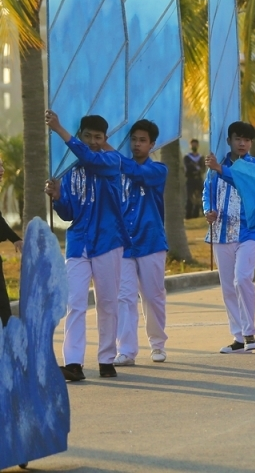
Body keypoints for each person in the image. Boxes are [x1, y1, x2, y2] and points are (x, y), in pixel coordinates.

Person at [45, 110, 131, 381]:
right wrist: (58, 197)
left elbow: (91, 158)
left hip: (108, 241)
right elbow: (68, 213)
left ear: (106, 138)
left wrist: (59, 129)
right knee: (75, 303)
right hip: (78, 243)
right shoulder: (69, 172)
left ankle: (106, 359)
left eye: (98, 137)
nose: (93, 141)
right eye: (88, 136)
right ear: (81, 135)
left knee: (107, 303)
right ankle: (73, 363)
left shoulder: (112, 160)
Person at [204, 121, 255, 354]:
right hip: (221, 232)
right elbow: (207, 192)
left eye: (247, 140)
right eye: (238, 139)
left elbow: (246, 183)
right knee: (228, 287)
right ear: (229, 140)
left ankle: (250, 332)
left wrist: (220, 170)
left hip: (248, 232)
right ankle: (238, 337)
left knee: (242, 279)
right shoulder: (214, 167)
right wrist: (208, 211)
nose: (242, 143)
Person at [114, 120, 169, 366]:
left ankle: (157, 344)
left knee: (152, 296)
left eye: (142, 140)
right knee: (124, 297)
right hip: (123, 244)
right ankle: (126, 350)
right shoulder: (116, 173)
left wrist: (108, 150)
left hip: (151, 242)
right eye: (134, 139)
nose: (137, 144)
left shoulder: (159, 170)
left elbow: (138, 173)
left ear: (152, 144)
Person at [183, 139, 204, 219]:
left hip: (199, 179)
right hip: (190, 179)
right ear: (190, 146)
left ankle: (198, 214)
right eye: (193, 144)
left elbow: (203, 169)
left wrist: (196, 169)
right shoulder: (187, 157)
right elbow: (187, 168)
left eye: (195, 144)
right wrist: (196, 169)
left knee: (201, 196)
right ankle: (189, 215)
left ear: (198, 146)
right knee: (190, 197)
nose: (194, 146)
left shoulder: (201, 157)